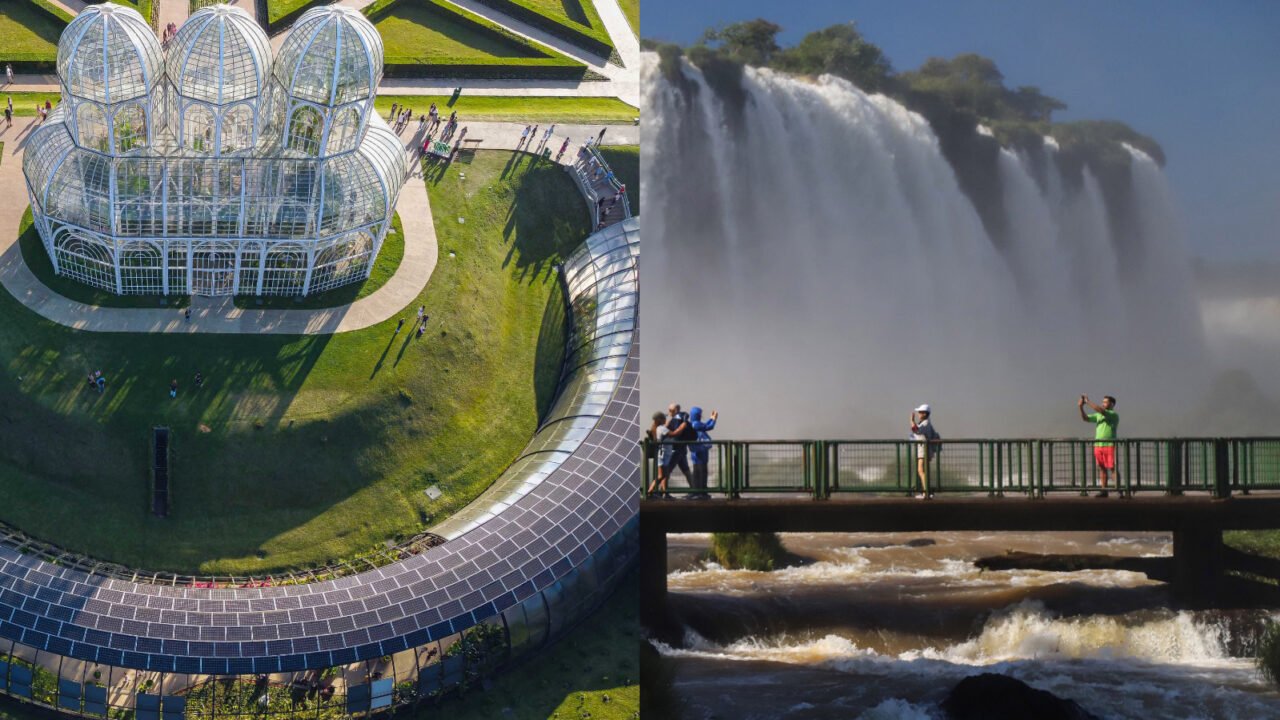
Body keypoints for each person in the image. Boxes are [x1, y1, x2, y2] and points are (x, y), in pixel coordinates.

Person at [1079, 394, 1119, 498]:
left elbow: (1100, 410)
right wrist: (1080, 407)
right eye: (1103, 402)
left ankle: (1120, 490)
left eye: (1105, 402)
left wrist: (1088, 402)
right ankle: (1104, 491)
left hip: (1109, 444)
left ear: (1112, 404)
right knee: (1102, 468)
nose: (1103, 403)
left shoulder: (1113, 414)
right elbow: (1086, 418)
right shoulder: (1098, 415)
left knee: (1112, 467)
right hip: (1098, 445)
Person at [664, 404, 697, 497]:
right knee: (686, 470)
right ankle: (693, 490)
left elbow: (670, 433)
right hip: (682, 449)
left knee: (667, 470)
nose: (669, 411)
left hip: (675, 450)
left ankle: (664, 493)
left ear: (675, 410)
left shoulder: (676, 420)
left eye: (670, 410)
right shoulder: (683, 418)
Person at [909, 404, 941, 499]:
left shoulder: (925, 423)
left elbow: (916, 431)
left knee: (921, 470)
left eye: (920, 412)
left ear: (924, 413)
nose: (918, 413)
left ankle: (926, 492)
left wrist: (911, 421)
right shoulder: (925, 423)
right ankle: (926, 491)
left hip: (924, 450)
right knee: (923, 471)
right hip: (923, 449)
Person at [688, 407, 718, 500]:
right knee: (702, 471)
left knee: (696, 471)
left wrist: (711, 418)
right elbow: (709, 427)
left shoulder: (692, 424)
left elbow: (704, 426)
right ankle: (702, 492)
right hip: (701, 450)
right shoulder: (696, 424)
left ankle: (695, 491)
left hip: (695, 451)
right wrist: (714, 419)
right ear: (697, 415)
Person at [645, 411, 672, 499]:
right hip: (662, 455)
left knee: (664, 475)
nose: (665, 419)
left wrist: (670, 416)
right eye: (664, 418)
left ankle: (664, 493)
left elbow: (665, 427)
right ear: (660, 420)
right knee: (661, 475)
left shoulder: (656, 428)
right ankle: (649, 491)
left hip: (661, 454)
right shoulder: (660, 428)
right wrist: (682, 426)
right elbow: (673, 433)